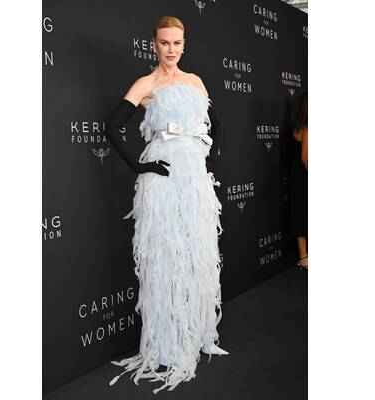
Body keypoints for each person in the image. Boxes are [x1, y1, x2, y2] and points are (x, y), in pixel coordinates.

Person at [107, 16, 228, 393]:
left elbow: (217, 124)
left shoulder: (195, 82)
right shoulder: (146, 84)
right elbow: (112, 127)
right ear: (154, 45)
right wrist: (140, 166)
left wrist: (210, 160)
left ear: (184, 44)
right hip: (162, 180)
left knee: (196, 253)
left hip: (195, 179)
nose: (171, 49)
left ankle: (196, 333)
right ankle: (168, 344)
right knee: (165, 257)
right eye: (164, 43)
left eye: (177, 43)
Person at [289, 91, 308, 270]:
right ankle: (304, 258)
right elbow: (305, 158)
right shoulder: (307, 128)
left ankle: (304, 257)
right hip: (304, 176)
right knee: (303, 214)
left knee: (301, 213)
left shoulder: (299, 126)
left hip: (298, 176)